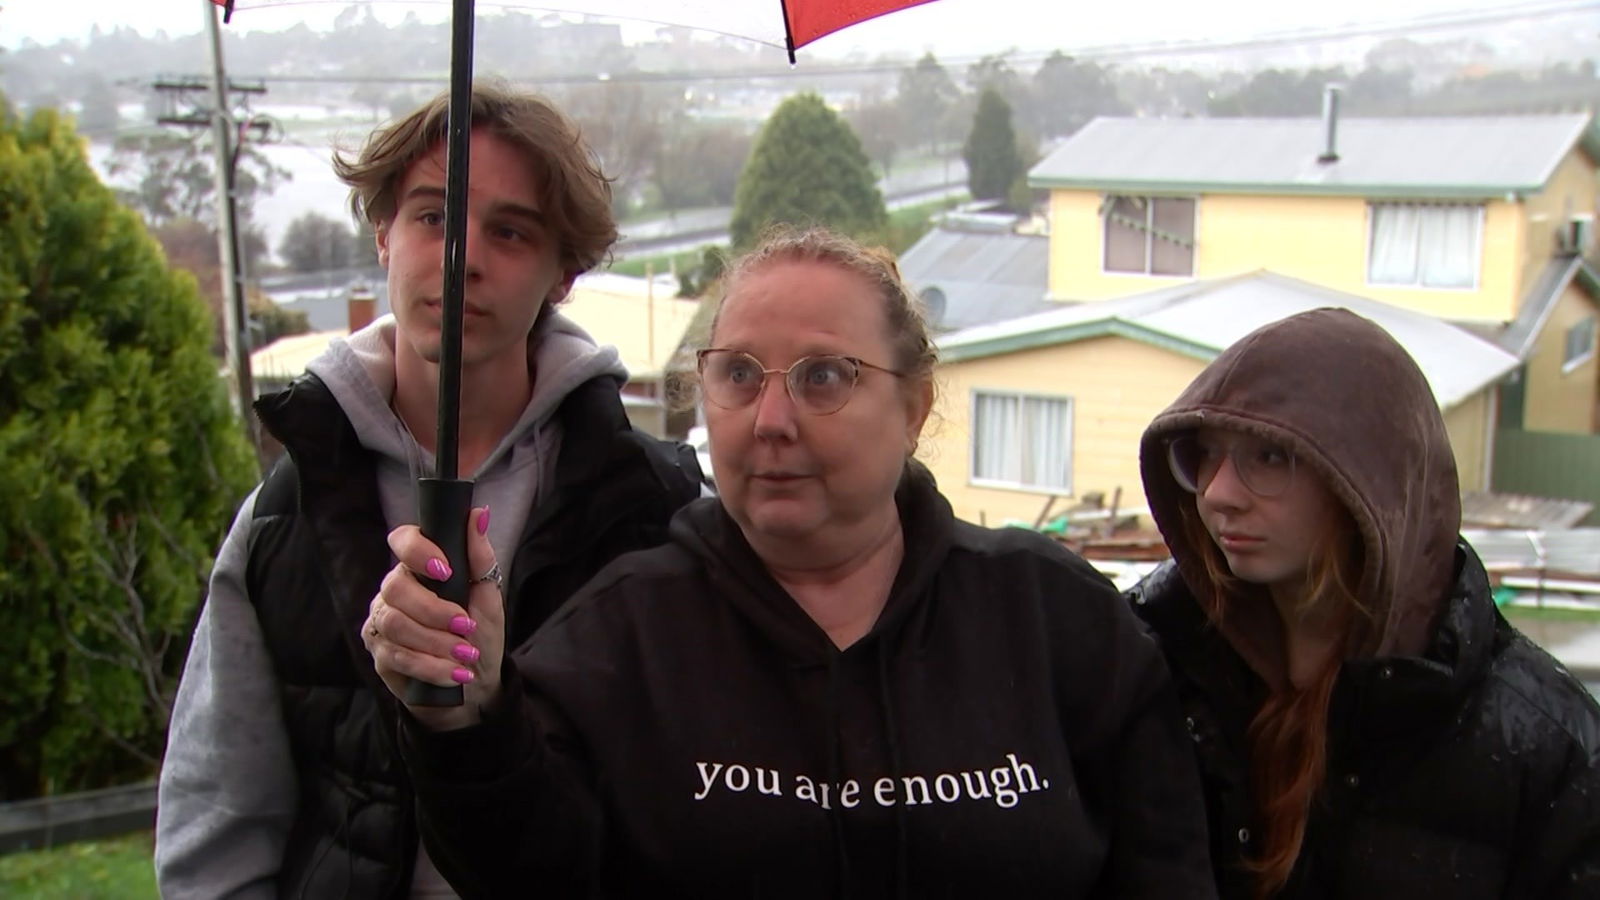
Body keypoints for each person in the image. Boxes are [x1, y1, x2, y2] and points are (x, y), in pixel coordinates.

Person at [363, 226, 1219, 898]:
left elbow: (1165, 871)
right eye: (738, 374)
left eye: (822, 378)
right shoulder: (619, 637)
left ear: (914, 405)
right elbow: (525, 876)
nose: (770, 419)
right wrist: (464, 724)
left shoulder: (1056, 619)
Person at [154, 83, 704, 898]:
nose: (461, 258)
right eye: (432, 216)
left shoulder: (654, 512)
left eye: (510, 231)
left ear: (566, 274)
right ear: (383, 234)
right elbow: (218, 822)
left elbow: (688, 820)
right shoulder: (286, 514)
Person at [1128, 307, 1600, 899]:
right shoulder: (1153, 666)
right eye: (1205, 455)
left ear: (1368, 482)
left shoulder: (1545, 747)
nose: (1219, 494)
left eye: (1269, 457)